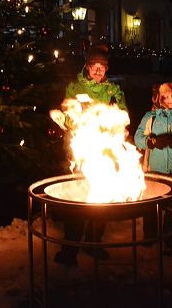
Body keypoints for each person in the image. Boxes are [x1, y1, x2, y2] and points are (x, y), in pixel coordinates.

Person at [54, 44, 127, 266]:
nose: (98, 72)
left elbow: (122, 113)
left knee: (100, 196)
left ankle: (94, 242)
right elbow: (67, 117)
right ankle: (70, 248)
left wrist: (119, 122)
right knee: (78, 197)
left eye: (102, 68)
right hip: (82, 149)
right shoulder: (74, 88)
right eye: (95, 67)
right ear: (87, 67)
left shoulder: (112, 89)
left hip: (104, 149)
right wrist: (73, 117)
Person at [134, 82, 172, 255]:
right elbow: (138, 138)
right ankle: (149, 235)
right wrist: (152, 142)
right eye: (166, 96)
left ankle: (170, 240)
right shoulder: (149, 117)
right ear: (159, 98)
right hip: (153, 169)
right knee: (150, 205)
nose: (170, 100)